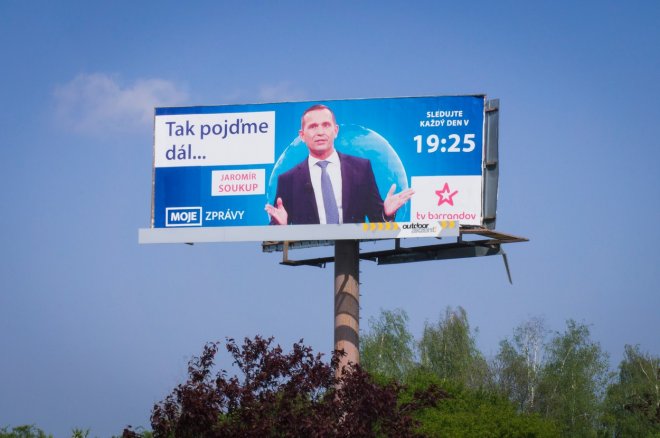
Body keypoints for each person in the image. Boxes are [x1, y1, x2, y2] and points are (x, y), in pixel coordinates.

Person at [265, 104, 414, 225]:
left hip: (352, 249)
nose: (320, 132)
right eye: (313, 126)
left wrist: (386, 214)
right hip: (309, 250)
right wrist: (280, 227)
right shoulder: (287, 180)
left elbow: (378, 223)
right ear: (302, 135)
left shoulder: (361, 169)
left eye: (326, 125)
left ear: (335, 131)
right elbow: (276, 233)